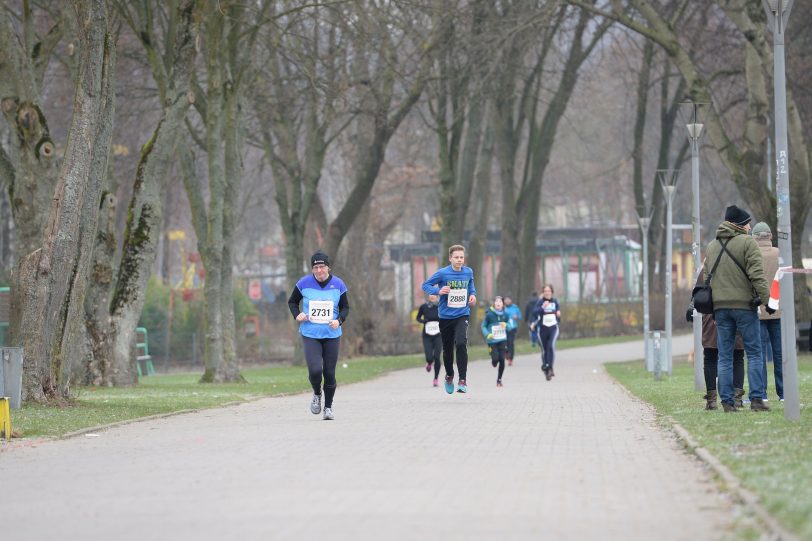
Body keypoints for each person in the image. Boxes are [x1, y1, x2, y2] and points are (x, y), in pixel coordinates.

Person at [703, 205, 772, 412]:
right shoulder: (748, 243)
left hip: (721, 308)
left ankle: (727, 402)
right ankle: (757, 400)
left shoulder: (711, 246)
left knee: (724, 355)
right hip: (744, 306)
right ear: (738, 225)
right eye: (747, 223)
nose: (750, 226)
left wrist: (715, 306)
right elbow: (757, 275)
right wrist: (767, 300)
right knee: (754, 353)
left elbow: (707, 279)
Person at [287, 251, 349, 420]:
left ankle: (328, 408)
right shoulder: (303, 283)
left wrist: (339, 320)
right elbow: (292, 302)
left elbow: (345, 307)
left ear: (328, 267)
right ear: (312, 269)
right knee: (315, 370)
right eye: (316, 267)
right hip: (310, 333)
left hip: (332, 334)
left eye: (322, 266)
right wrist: (297, 314)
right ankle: (316, 393)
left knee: (329, 373)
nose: (319, 270)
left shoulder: (338, 284)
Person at [422, 244, 477, 394]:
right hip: (445, 316)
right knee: (447, 350)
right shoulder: (442, 273)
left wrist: (473, 295)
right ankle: (449, 375)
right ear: (450, 258)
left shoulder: (468, 272)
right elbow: (425, 285)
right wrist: (438, 291)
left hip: (462, 314)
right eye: (456, 257)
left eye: (461, 257)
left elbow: (471, 285)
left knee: (460, 343)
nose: (459, 260)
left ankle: (463, 380)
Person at [753, 222, 784, 402]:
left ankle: (762, 393)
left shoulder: (752, 254)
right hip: (777, 309)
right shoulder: (780, 254)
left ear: (755, 238)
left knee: (759, 354)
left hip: (758, 310)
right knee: (779, 354)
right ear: (770, 237)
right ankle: (783, 393)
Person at [530, 285, 561, 381]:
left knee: (551, 346)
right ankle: (546, 369)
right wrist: (543, 307)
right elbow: (535, 312)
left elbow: (558, 316)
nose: (547, 292)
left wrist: (558, 315)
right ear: (543, 292)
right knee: (544, 349)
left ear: (552, 292)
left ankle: (550, 367)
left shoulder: (555, 301)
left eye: (549, 291)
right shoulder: (540, 302)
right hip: (542, 329)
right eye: (545, 291)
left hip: (553, 328)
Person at [481, 296, 509, 387]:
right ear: (494, 304)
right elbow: (483, 326)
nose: (498, 303)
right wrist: (487, 334)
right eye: (496, 301)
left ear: (503, 304)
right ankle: (493, 359)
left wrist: (506, 324)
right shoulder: (489, 314)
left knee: (502, 359)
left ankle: (499, 380)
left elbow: (511, 325)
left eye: (500, 301)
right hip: (492, 340)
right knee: (495, 360)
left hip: (502, 340)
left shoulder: (506, 314)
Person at [416, 294, 442, 386]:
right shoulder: (424, 307)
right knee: (429, 356)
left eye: (434, 295)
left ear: (437, 297)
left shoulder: (440, 307)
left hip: (438, 335)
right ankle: (429, 362)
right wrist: (423, 321)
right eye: (431, 295)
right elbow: (418, 318)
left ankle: (435, 379)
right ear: (429, 296)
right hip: (427, 335)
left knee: (437, 357)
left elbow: (446, 318)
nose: (432, 296)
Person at [503, 295, 522, 366]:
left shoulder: (515, 307)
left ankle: (510, 358)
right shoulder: (502, 307)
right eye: (506, 299)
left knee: (510, 342)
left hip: (512, 327)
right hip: (503, 327)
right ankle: (506, 353)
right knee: (504, 342)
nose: (507, 301)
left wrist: (516, 316)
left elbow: (520, 316)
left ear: (511, 300)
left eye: (509, 299)